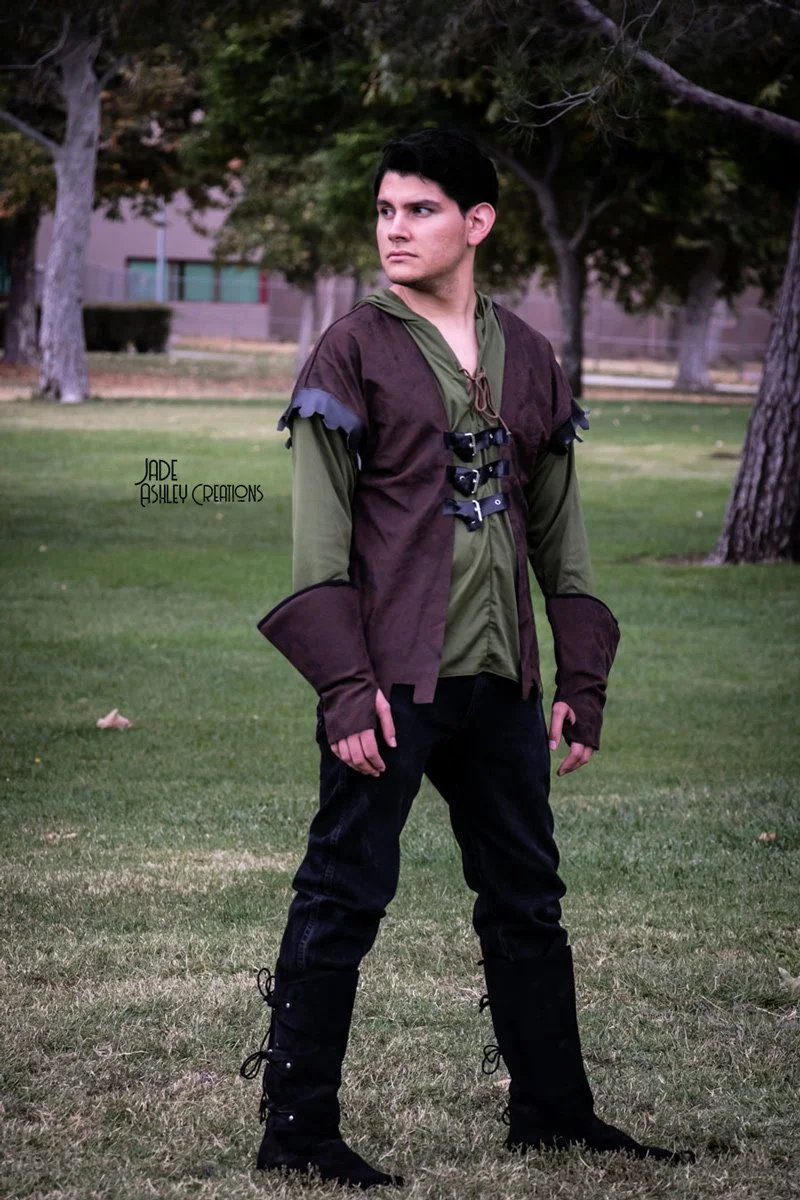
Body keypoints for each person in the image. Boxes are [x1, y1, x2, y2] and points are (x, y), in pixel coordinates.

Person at [240, 128, 687, 1188]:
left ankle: (552, 1114)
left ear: (476, 223)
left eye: (420, 210)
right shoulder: (349, 350)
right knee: (341, 896)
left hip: (500, 680)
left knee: (526, 899)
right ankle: (296, 1132)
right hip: (389, 683)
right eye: (385, 211)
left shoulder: (528, 356)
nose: (394, 229)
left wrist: (579, 682)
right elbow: (316, 539)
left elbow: (559, 535)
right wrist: (344, 689)